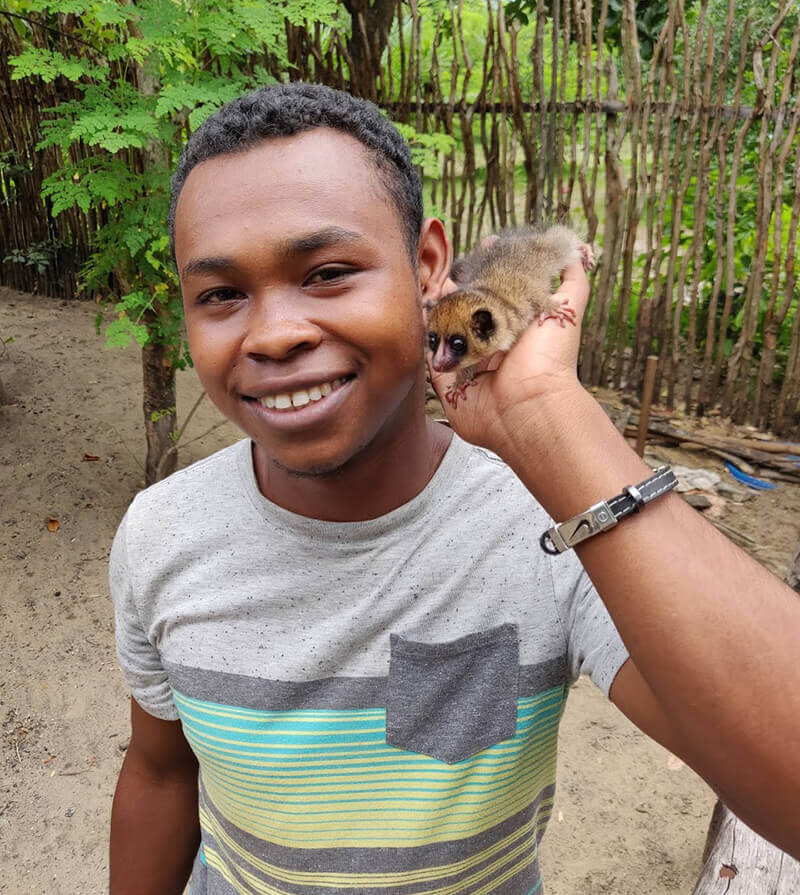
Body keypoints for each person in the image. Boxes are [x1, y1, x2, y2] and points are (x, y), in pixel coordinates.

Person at [108, 83, 800, 895]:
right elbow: (159, 774)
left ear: (429, 269)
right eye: (221, 293)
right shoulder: (162, 533)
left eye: (328, 271)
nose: (275, 333)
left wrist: (550, 418)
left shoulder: (559, 523)